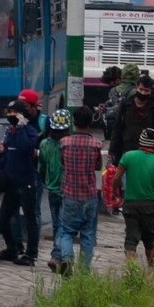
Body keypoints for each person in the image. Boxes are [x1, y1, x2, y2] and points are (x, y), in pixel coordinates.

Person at [52, 107, 103, 274]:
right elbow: (98, 166)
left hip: (70, 194)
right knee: (88, 234)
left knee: (66, 231)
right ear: (90, 123)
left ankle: (66, 257)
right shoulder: (96, 145)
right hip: (89, 196)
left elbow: (62, 163)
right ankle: (84, 271)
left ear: (73, 122)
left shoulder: (64, 143)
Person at [0, 104, 42, 265]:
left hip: (26, 183)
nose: (10, 115)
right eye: (9, 112)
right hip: (10, 184)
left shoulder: (29, 131)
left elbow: (26, 148)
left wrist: (21, 127)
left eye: (14, 113)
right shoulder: (9, 132)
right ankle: (12, 248)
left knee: (30, 220)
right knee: (2, 220)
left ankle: (31, 254)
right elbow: (8, 155)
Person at [113, 127, 154, 266]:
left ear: (141, 141)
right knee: (150, 239)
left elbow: (116, 178)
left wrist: (114, 194)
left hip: (130, 205)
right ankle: (151, 267)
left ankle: (131, 270)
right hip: (149, 206)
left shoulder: (128, 156)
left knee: (131, 239)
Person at [38, 109, 69, 269]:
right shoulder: (68, 145)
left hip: (51, 190)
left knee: (58, 225)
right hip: (66, 191)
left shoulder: (44, 144)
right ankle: (57, 255)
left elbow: (41, 168)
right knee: (64, 226)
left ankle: (60, 256)